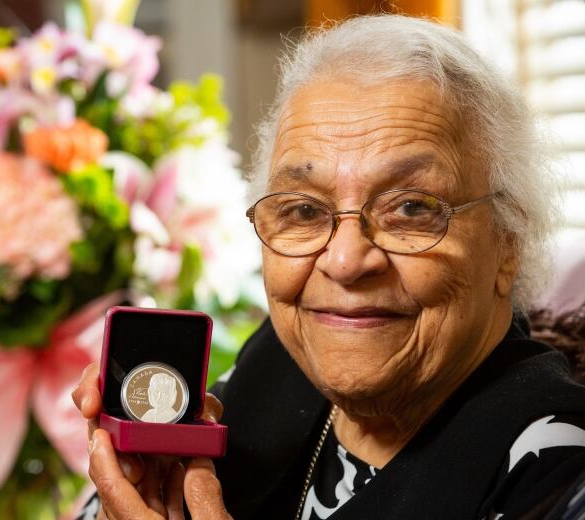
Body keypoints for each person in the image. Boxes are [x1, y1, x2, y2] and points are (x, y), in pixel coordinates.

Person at [72, 14, 585, 520]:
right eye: (304, 210)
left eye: (410, 208)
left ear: (508, 240)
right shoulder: (273, 366)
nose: (344, 262)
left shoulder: (558, 472)